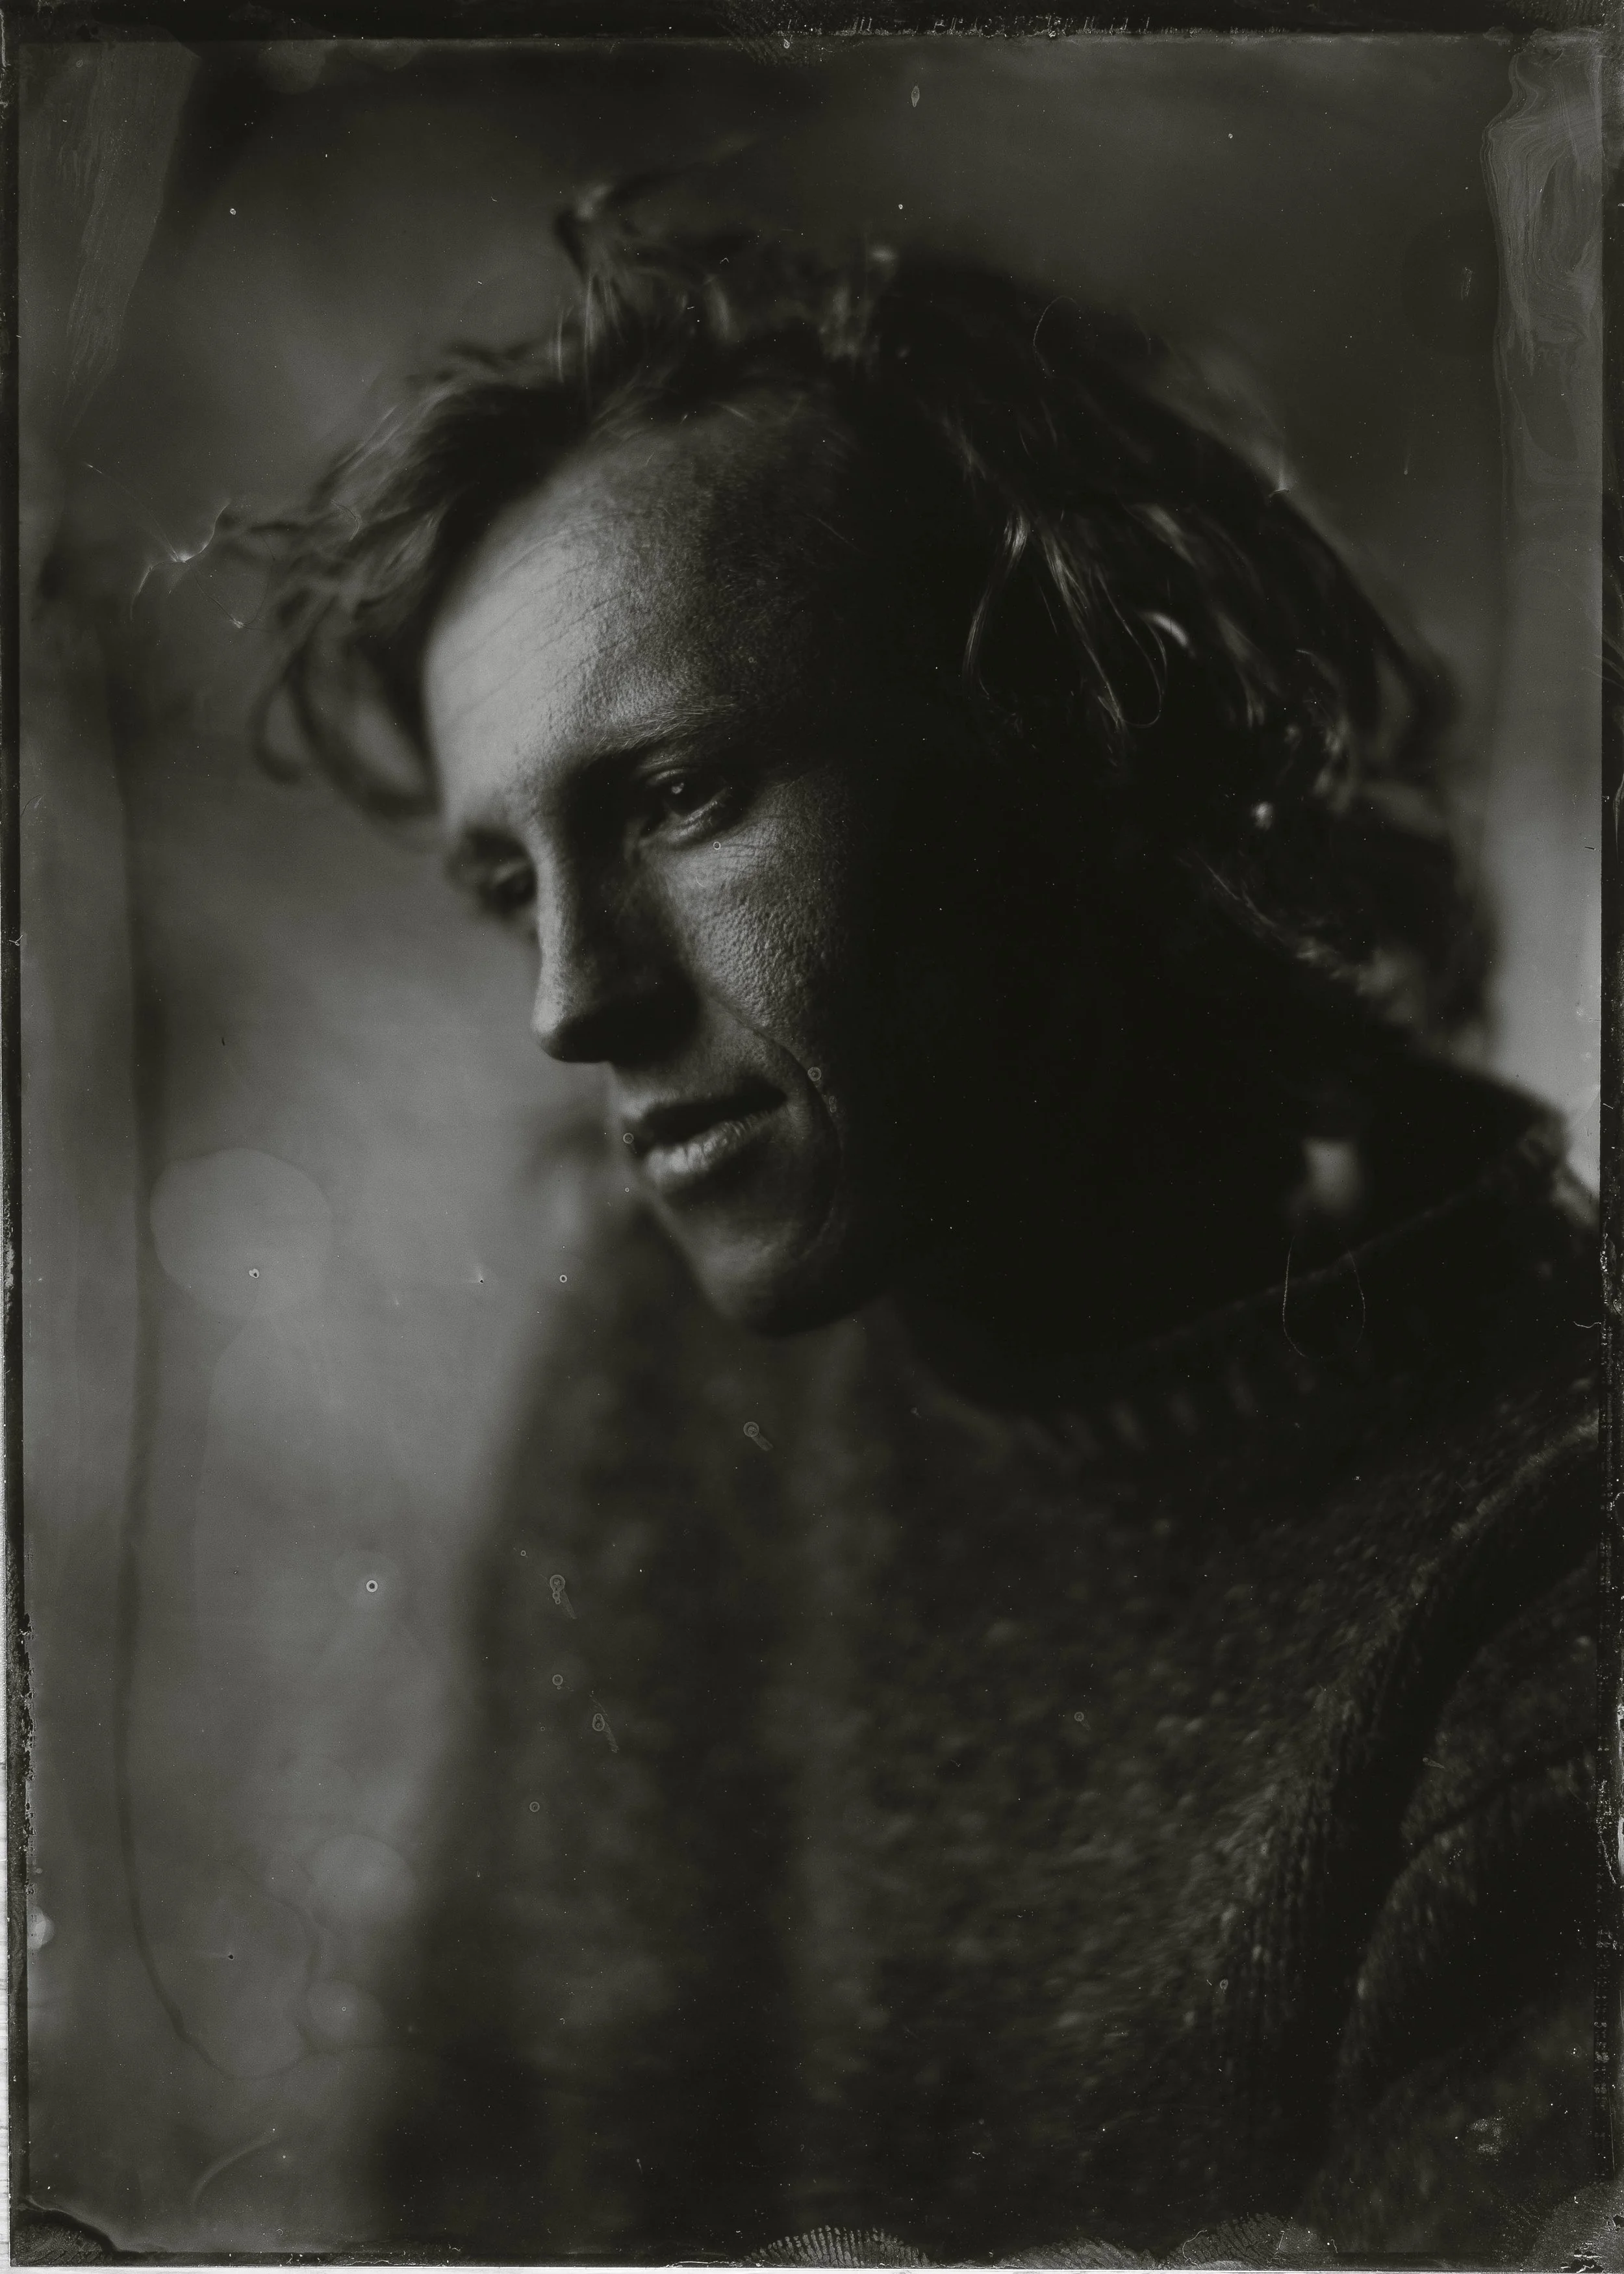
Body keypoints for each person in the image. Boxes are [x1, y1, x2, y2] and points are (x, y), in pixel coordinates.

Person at [257, 214, 1602, 2266]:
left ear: (1077, 740)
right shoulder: (666, 1361)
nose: (569, 1001)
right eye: (507, 884)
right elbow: (445, 2191)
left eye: (678, 795)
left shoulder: (1545, 1555)